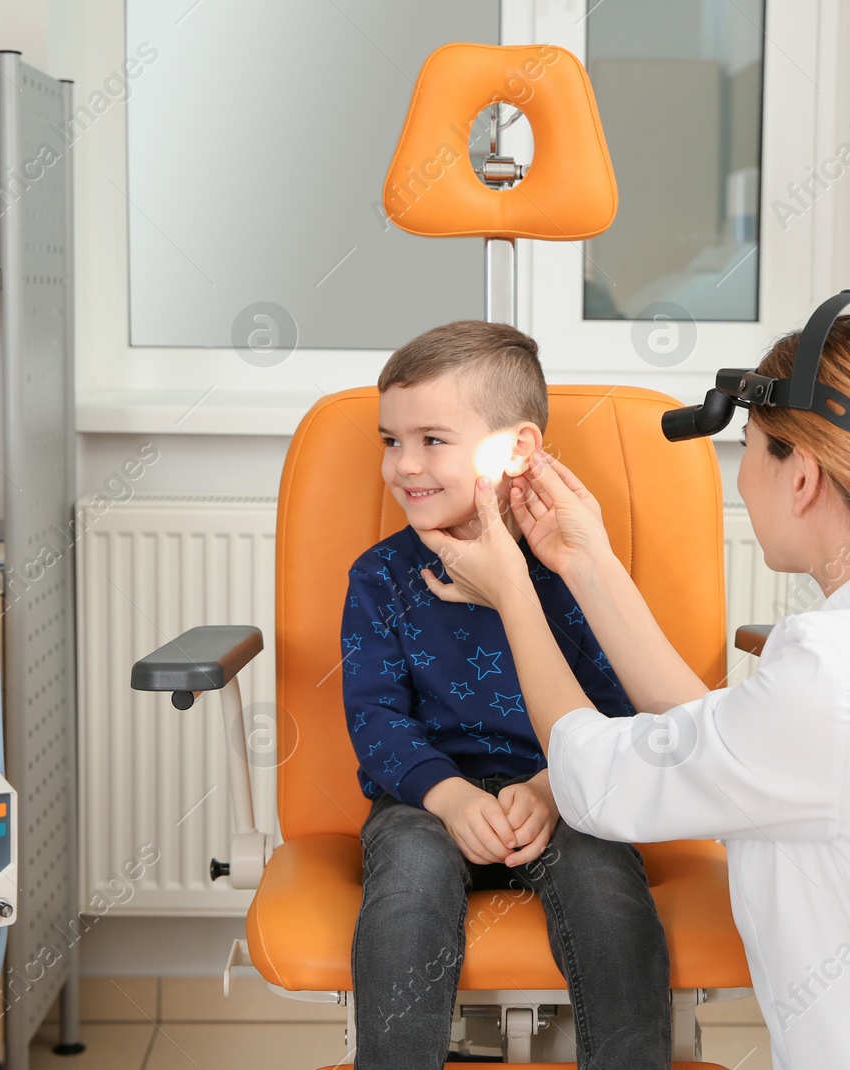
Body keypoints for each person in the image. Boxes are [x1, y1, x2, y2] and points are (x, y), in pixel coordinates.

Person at [417, 311, 850, 1069]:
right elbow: (725, 748)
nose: (742, 477)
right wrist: (585, 564)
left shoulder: (841, 676)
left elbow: (596, 777)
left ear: (804, 477)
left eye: (745, 449)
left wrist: (515, 593)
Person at [341, 320, 672, 1069]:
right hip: (425, 803)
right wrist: (453, 799)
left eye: (431, 439)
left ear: (516, 448)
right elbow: (376, 720)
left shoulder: (573, 564)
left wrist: (554, 788)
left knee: (610, 898)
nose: (403, 465)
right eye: (391, 440)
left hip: (567, 790)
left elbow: (623, 707)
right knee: (408, 888)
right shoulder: (379, 577)